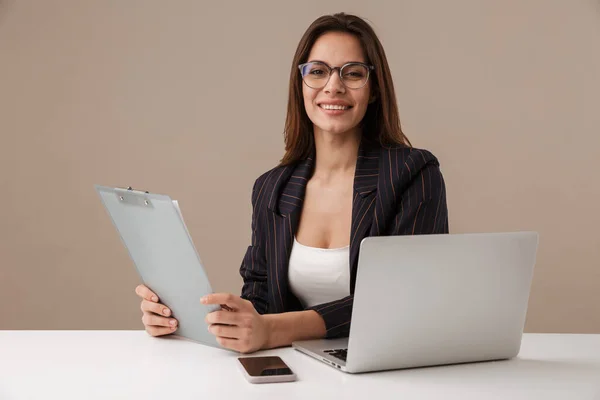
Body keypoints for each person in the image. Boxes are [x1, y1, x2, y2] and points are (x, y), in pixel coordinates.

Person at [135, 12, 449, 354]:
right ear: (300, 84)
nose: (334, 86)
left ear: (373, 89)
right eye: (317, 71)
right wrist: (182, 317)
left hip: (388, 370)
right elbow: (260, 299)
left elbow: (404, 297)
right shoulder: (272, 187)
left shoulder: (413, 173)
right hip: (297, 373)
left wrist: (273, 331)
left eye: (353, 73)